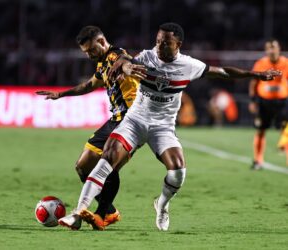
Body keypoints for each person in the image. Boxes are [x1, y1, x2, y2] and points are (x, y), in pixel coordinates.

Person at [58, 23, 281, 231]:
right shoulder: (147, 57)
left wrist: (256, 75)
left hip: (162, 127)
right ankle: (77, 213)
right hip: (135, 120)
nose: (159, 46)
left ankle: (161, 205)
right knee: (106, 159)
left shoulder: (189, 65)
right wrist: (124, 66)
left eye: (165, 43)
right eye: (157, 41)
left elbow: (224, 72)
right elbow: (127, 60)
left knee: (178, 173)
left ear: (178, 45)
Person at [36, 26, 139, 230]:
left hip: (132, 119)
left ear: (101, 41)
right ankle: (109, 210)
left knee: (109, 166)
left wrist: (125, 67)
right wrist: (61, 94)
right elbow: (89, 85)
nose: (88, 55)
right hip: (115, 118)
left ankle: (100, 215)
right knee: (82, 166)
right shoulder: (102, 64)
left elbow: (126, 61)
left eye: (91, 50)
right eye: (85, 52)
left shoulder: (116, 55)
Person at [248, 39, 288, 170]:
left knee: (285, 128)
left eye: (274, 47)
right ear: (266, 51)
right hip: (264, 103)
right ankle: (258, 160)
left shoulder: (285, 63)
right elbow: (254, 82)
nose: (271, 50)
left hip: (282, 102)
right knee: (260, 129)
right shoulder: (261, 63)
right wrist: (253, 100)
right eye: (269, 48)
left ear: (279, 49)